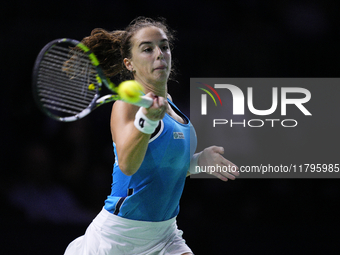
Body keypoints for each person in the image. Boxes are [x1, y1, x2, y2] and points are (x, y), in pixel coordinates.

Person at [64, 17, 239, 255]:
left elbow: (160, 167)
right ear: (129, 63)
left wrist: (198, 163)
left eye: (164, 46)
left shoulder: (172, 107)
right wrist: (146, 122)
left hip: (165, 234)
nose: (159, 54)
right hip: (118, 239)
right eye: (147, 49)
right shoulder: (127, 105)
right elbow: (127, 164)